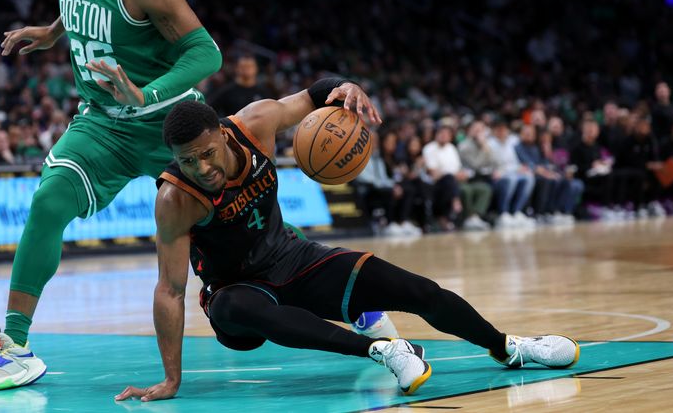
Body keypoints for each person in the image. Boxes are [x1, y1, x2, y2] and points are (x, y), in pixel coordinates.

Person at [114, 80, 579, 403]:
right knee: (234, 309)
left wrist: (347, 86)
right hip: (238, 291)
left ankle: (509, 347)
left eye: (207, 154)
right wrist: (171, 377)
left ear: (221, 131)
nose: (201, 168)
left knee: (417, 291)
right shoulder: (176, 197)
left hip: (294, 258)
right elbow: (169, 290)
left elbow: (320, 93)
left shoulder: (256, 123)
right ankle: (382, 349)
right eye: (188, 161)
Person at [0, 0, 223, 392]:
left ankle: (353, 303)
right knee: (47, 202)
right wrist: (53, 31)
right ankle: (14, 347)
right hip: (103, 121)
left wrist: (145, 93)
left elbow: (205, 53)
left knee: (238, 221)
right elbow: (80, 4)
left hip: (168, 124)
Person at [207, 54, 273, 117]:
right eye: (243, 66)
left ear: (256, 69)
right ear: (237, 68)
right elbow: (209, 109)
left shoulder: (263, 92)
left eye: (250, 66)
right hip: (233, 127)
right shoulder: (227, 91)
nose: (247, 69)